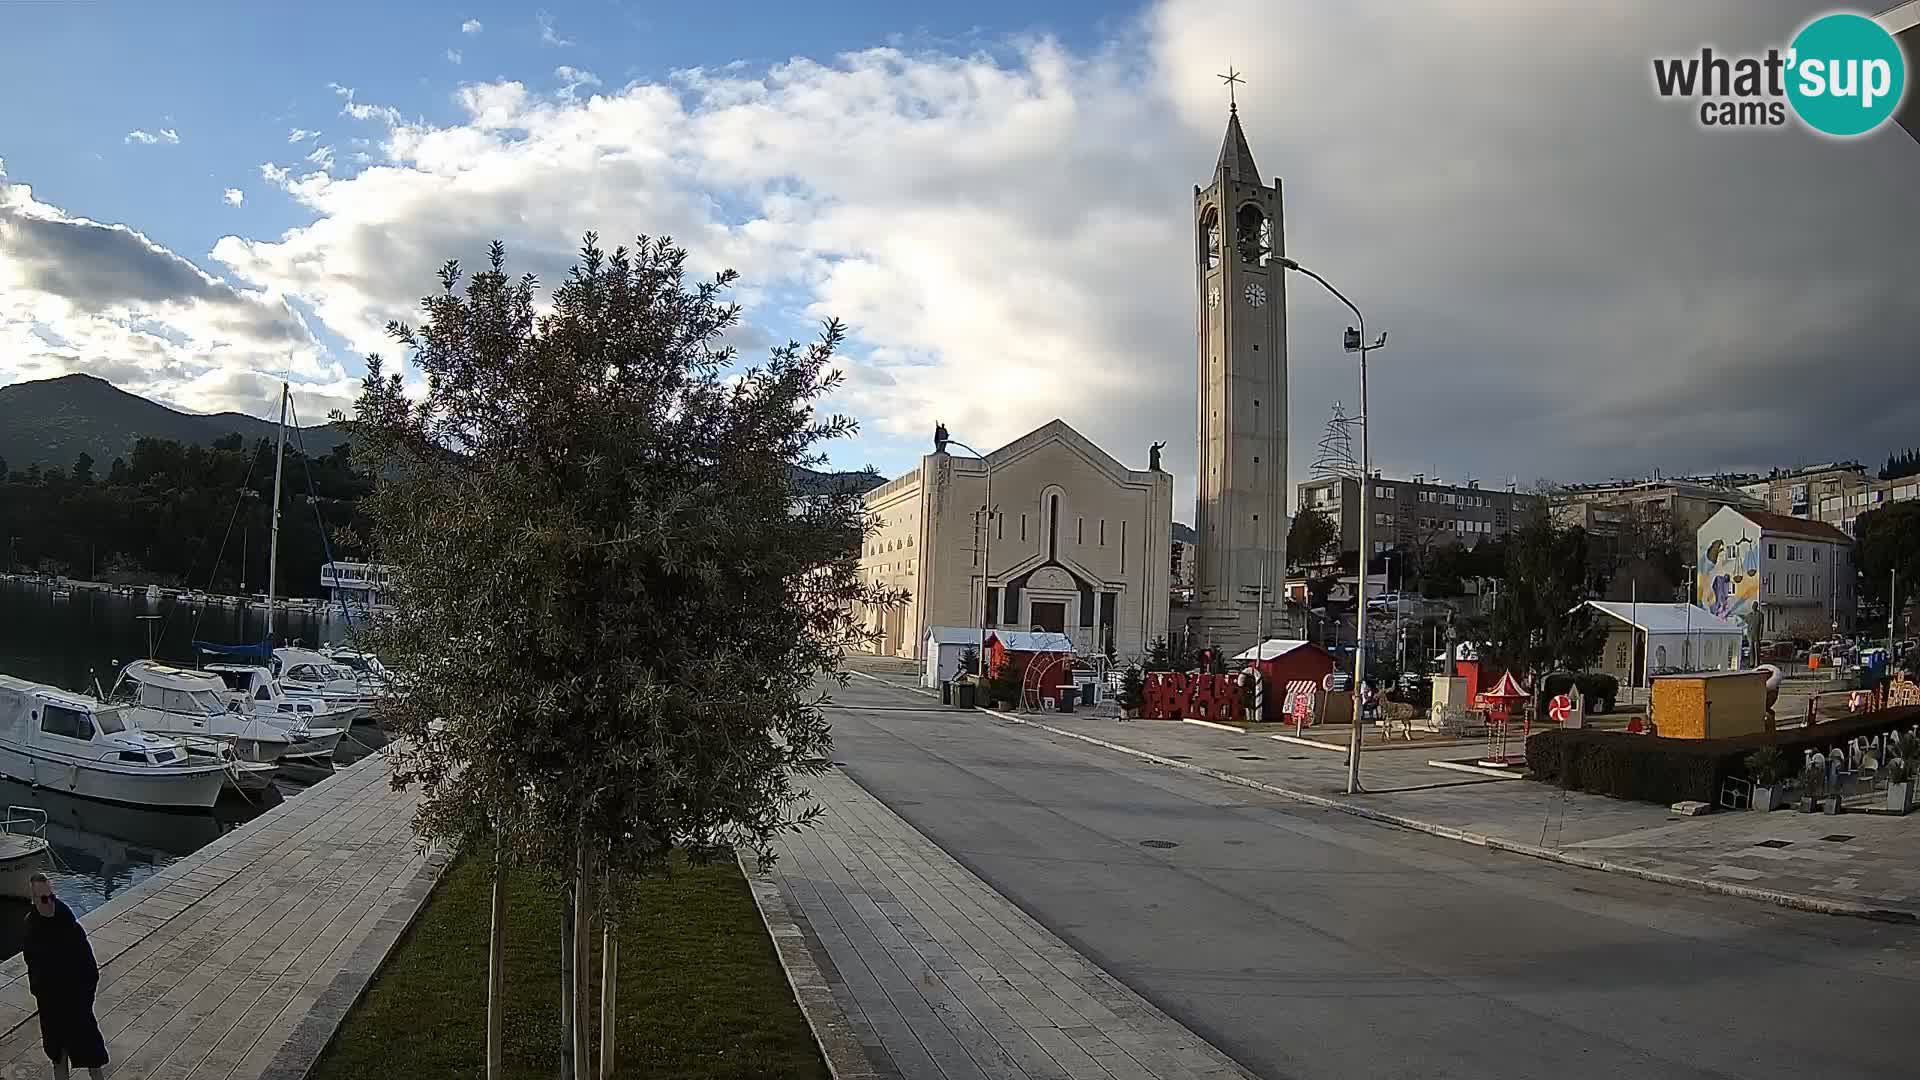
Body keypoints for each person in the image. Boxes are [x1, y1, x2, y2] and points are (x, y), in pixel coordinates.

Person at [23, 874, 107, 1080]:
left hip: (77, 1004)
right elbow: (32, 966)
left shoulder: (69, 924)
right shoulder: (31, 929)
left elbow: (89, 967)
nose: (49, 902)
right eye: (43, 898)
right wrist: (41, 994)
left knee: (93, 1056)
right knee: (58, 1057)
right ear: (34, 900)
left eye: (51, 896)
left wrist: (85, 999)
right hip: (51, 1008)